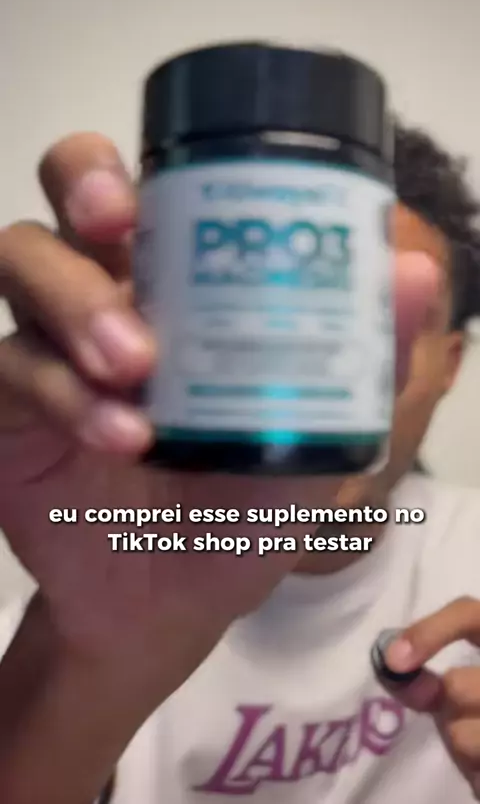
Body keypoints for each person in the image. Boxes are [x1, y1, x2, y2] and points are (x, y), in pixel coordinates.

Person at [0, 120, 479, 804]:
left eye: (371, 316)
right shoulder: (61, 623)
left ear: (451, 364)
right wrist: (87, 671)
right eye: (275, 309)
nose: (308, 367)